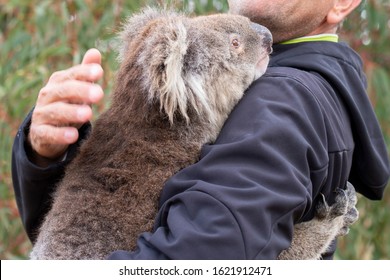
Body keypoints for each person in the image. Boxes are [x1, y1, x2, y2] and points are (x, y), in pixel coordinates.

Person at [12, 0, 389, 259]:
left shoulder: (281, 99)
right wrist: (46, 153)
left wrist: (315, 235)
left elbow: (209, 260)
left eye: (238, 42)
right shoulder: (206, 103)